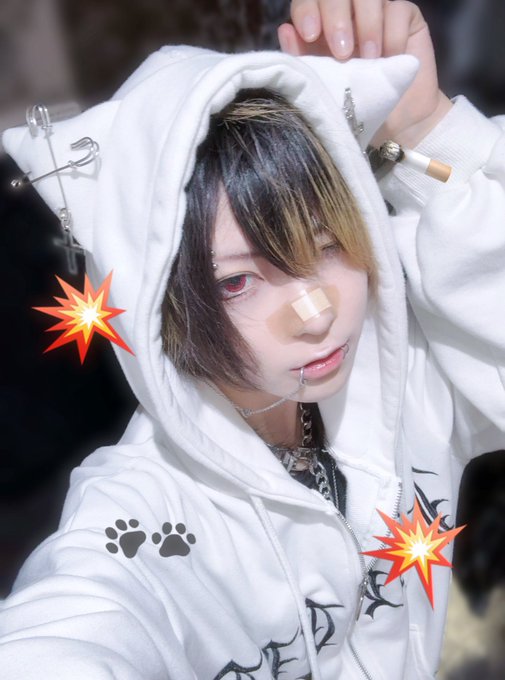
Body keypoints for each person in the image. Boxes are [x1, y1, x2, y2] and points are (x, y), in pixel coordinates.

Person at [1, 1, 504, 678]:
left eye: (328, 244)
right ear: (160, 300)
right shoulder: (141, 516)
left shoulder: (404, 373)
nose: (314, 313)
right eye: (237, 282)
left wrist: (427, 130)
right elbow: (72, 629)